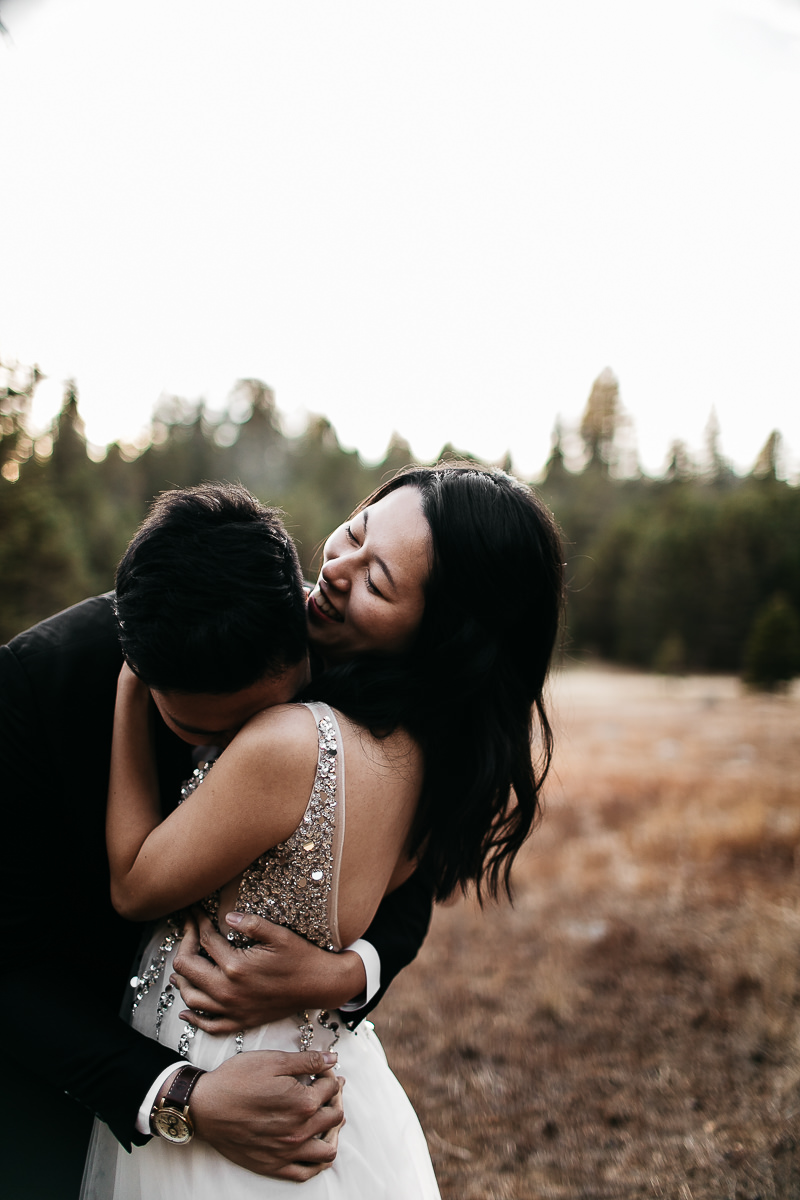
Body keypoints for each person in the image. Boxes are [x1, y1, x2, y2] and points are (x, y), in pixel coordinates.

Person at [85, 464, 565, 1197]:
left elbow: (134, 885)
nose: (337, 568)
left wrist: (133, 683)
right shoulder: (426, 753)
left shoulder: (295, 740)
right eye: (357, 532)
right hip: (310, 1087)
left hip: (235, 1092)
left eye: (378, 583)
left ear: (438, 637)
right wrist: (348, 972)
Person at [0, 486, 432, 1199]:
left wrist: (347, 974)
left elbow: (411, 867)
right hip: (66, 1080)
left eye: (271, 717)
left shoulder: (339, 652)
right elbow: (9, 959)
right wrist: (179, 1095)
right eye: (201, 731)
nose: (248, 756)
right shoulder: (33, 687)